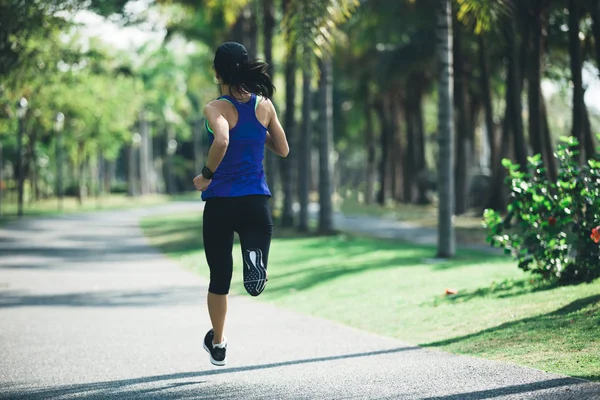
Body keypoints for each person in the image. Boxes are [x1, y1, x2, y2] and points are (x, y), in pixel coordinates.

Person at [193, 42, 289, 367]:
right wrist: (256, 132)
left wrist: (206, 174)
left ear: (218, 72)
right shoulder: (265, 106)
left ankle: (218, 343)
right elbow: (283, 148)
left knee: (219, 278)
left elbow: (222, 140)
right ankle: (254, 257)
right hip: (256, 203)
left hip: (220, 204)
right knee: (254, 255)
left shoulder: (215, 108)